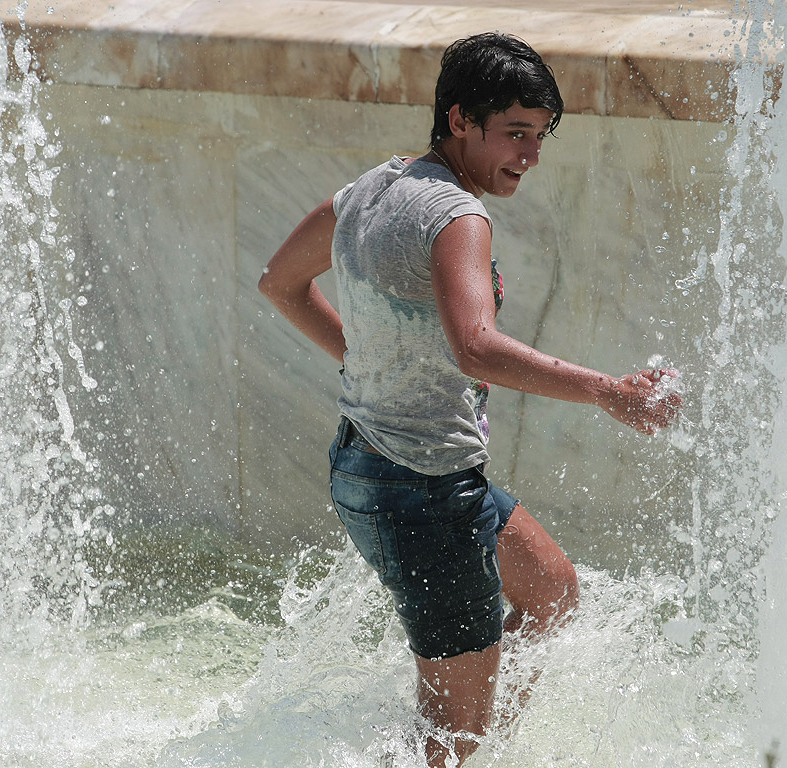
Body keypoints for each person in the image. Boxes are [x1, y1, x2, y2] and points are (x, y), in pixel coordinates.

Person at [259, 32, 682, 767]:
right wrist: (607, 392)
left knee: (551, 592)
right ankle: (450, 741)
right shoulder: (459, 217)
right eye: (514, 133)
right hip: (422, 492)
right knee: (453, 742)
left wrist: (376, 361)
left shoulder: (369, 188)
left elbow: (278, 283)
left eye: (539, 136)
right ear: (459, 119)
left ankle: (451, 724)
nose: (529, 155)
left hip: (370, 465)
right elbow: (475, 347)